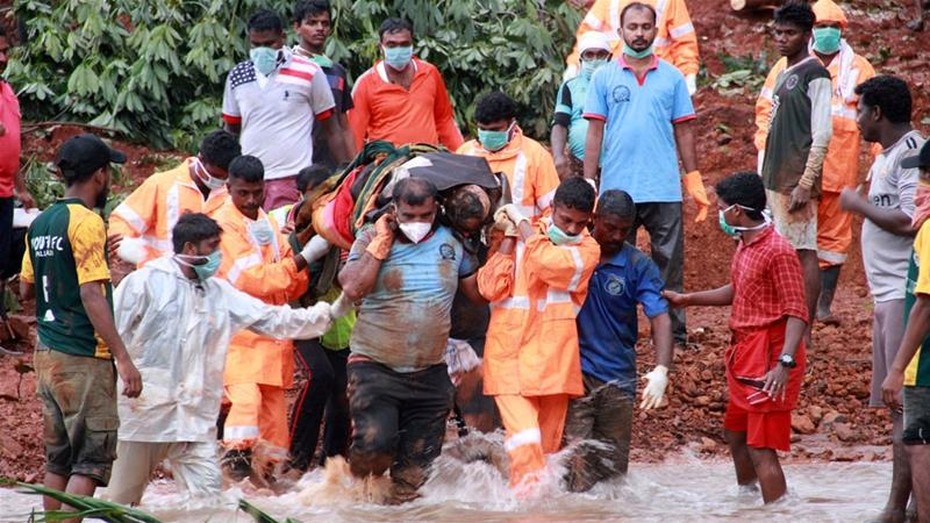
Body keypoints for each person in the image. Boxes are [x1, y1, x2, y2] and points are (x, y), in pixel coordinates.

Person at [106, 213, 333, 505]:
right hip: (145, 415)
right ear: (190, 249)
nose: (218, 255)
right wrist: (122, 370)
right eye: (212, 247)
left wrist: (329, 314)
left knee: (209, 505)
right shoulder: (144, 283)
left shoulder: (218, 292)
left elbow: (271, 318)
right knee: (119, 502)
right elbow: (111, 332)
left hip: (194, 421)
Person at [664, 172, 807, 504]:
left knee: (761, 448)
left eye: (723, 207)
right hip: (746, 354)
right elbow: (739, 290)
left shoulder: (778, 251)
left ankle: (777, 512)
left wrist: (783, 364)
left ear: (739, 211)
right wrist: (688, 299)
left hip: (770, 358)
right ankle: (748, 501)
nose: (720, 213)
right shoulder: (745, 243)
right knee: (736, 434)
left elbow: (797, 311)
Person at [19, 134, 142, 518]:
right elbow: (92, 296)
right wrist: (123, 358)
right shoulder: (87, 221)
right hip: (84, 356)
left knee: (58, 461)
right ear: (101, 175)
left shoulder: (41, 222)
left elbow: (26, 289)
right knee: (88, 461)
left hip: (48, 355)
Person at [338, 177, 482, 503]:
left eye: (425, 216)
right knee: (374, 449)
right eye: (408, 216)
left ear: (437, 210)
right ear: (394, 209)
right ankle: (352, 506)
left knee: (416, 473)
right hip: (375, 366)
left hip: (430, 373)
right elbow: (352, 288)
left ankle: (400, 512)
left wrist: (504, 244)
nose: (417, 224)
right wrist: (380, 245)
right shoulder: (371, 237)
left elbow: (478, 294)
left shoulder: (453, 242)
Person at [582, 1, 708, 347]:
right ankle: (614, 332)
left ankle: (673, 336)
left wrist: (693, 177)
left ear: (656, 30)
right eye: (632, 27)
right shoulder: (604, 77)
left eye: (645, 27)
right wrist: (590, 181)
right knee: (611, 261)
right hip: (616, 190)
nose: (639, 33)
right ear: (620, 32)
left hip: (663, 186)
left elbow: (684, 130)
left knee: (669, 264)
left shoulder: (672, 78)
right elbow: (595, 131)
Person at [754, 0, 875, 325]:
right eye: (822, 26)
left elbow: (873, 118)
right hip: (789, 170)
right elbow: (767, 114)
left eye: (832, 27)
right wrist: (764, 155)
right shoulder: (783, 69)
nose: (826, 33)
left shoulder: (854, 68)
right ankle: (793, 309)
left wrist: (874, 170)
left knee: (826, 244)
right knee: (792, 243)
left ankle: (816, 310)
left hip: (831, 170)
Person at [478, 177, 600, 492]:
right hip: (509, 358)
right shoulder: (521, 233)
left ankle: (524, 509)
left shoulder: (587, 250)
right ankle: (526, 511)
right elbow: (489, 288)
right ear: (552, 209)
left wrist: (522, 227)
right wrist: (508, 234)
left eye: (579, 223)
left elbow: (547, 263)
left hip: (554, 366)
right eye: (565, 220)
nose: (572, 229)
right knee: (526, 443)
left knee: (545, 457)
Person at [214, 155, 331, 480]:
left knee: (275, 430)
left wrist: (292, 269)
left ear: (265, 187)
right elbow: (255, 279)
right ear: (229, 189)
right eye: (243, 194)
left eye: (256, 192)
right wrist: (300, 261)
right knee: (246, 411)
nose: (251, 200)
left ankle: (265, 488)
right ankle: (234, 478)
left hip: (272, 344)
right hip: (239, 341)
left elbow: (292, 283)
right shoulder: (223, 228)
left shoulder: (266, 223)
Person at [838, 75, 922, 523]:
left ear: (877, 113)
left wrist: (858, 205)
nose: (856, 119)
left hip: (903, 295)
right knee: (900, 407)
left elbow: (910, 219)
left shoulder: (911, 154)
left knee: (902, 409)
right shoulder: (888, 155)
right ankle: (908, 506)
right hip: (886, 295)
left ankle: (896, 509)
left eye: (860, 110)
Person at [562, 189, 673, 492]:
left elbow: (660, 316)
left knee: (613, 474)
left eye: (625, 229)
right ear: (594, 219)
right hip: (574, 375)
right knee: (574, 469)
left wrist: (662, 369)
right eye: (610, 227)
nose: (617, 235)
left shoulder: (638, 265)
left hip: (618, 380)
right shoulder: (569, 253)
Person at [222, 9, 349, 210]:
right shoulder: (238, 76)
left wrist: (346, 172)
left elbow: (332, 128)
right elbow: (230, 131)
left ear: (282, 37)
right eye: (256, 45)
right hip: (249, 182)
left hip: (293, 179)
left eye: (269, 44)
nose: (262, 50)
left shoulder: (309, 72)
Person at [758, 2, 833, 340]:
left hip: (795, 180)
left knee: (804, 252)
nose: (782, 39)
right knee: (782, 251)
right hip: (776, 176)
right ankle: (782, 321)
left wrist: (806, 182)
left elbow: (822, 133)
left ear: (807, 35)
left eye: (790, 33)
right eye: (778, 32)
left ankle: (803, 330)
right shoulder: (786, 72)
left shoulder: (815, 73)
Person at [108, 130, 241, 267]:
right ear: (200, 160)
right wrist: (134, 254)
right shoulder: (162, 185)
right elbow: (122, 221)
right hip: (159, 275)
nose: (218, 181)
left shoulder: (231, 195)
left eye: (223, 178)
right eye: (214, 175)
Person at [883, 139, 930, 523]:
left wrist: (897, 368)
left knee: (919, 442)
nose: (919, 181)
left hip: (926, 364)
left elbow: (926, 304)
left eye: (923, 173)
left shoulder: (929, 231)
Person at [348, 18, 463, 151]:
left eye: (404, 44)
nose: (398, 49)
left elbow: (444, 120)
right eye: (391, 45)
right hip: (388, 163)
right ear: (381, 47)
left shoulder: (429, 73)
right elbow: (354, 135)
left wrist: (462, 154)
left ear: (412, 45)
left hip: (428, 159)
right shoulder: (366, 84)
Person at [458, 91, 560, 223]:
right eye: (483, 129)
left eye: (495, 130)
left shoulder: (536, 156)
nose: (488, 134)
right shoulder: (465, 153)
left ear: (512, 124)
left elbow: (553, 211)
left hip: (523, 241)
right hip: (476, 241)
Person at [564, 0, 700, 95]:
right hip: (615, 80)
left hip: (655, 79)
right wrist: (575, 63)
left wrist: (689, 73)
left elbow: (683, 40)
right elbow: (588, 37)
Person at [292, 0, 356, 169]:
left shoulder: (337, 71)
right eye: (312, 23)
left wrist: (352, 167)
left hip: (332, 163)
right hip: (297, 163)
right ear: (297, 27)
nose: (319, 28)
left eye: (324, 23)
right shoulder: (287, 68)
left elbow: (344, 126)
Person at [1, 27, 36, 300]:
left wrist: (21, 188)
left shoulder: (7, 91)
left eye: (4, 51)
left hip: (5, 193)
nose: (2, 58)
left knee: (1, 263)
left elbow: (14, 146)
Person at [551, 32, 612, 180]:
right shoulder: (570, 87)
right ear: (581, 59)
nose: (595, 59)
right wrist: (558, 156)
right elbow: (560, 123)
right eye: (589, 55)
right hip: (578, 163)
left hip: (614, 164)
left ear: (609, 58)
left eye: (600, 55)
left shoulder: (618, 85)